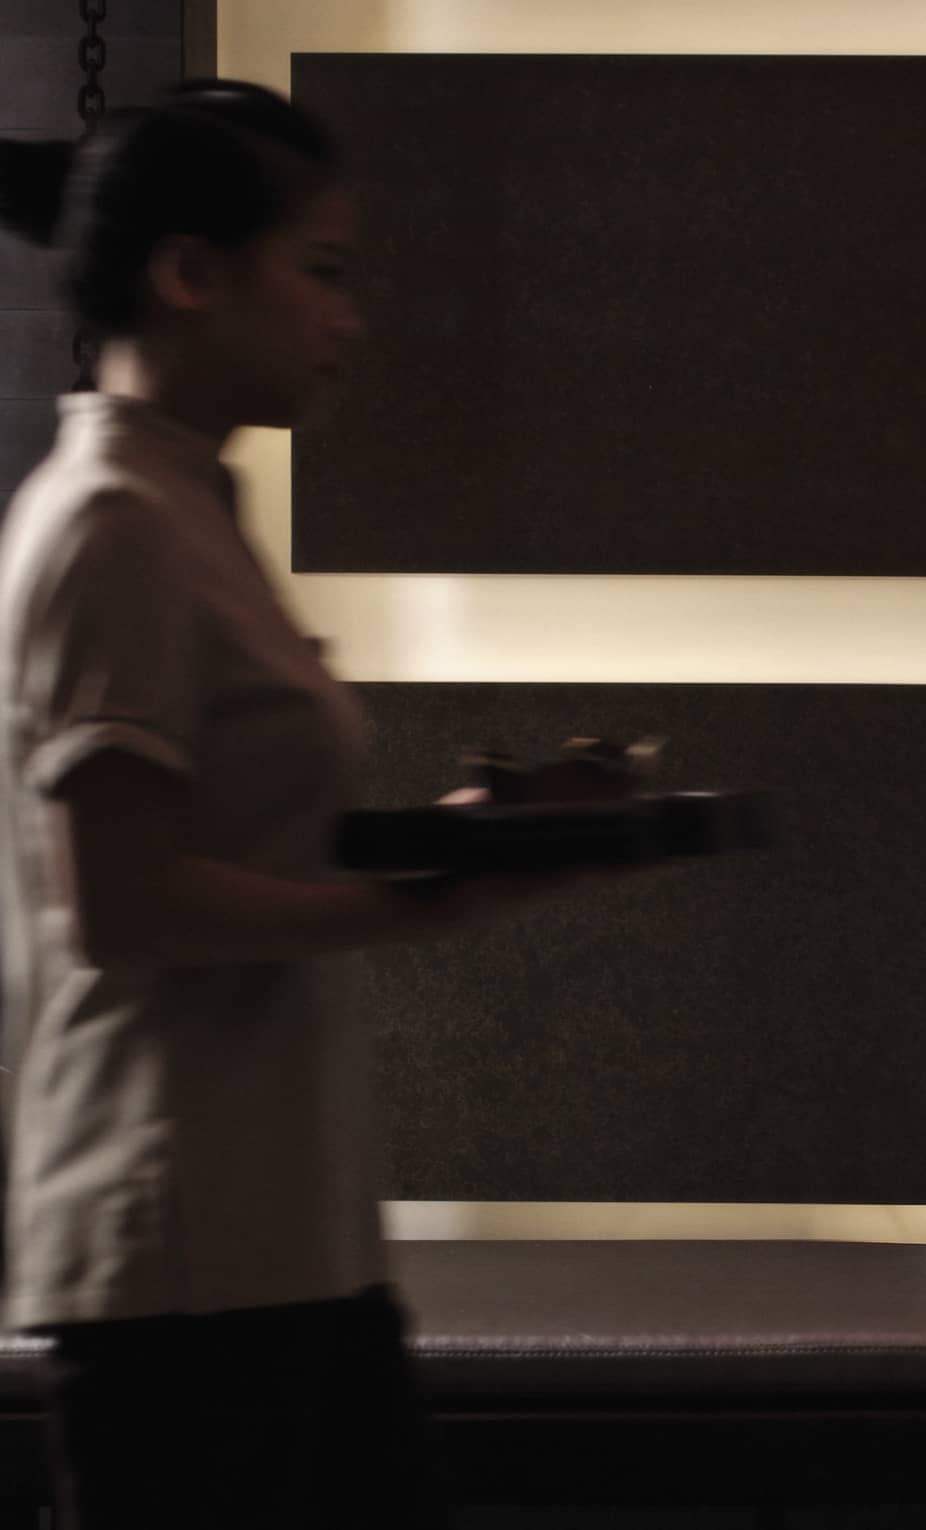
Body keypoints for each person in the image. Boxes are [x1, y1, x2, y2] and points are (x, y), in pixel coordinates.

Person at [0, 80, 607, 1528]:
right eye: (322, 270)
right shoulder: (112, 522)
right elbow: (124, 902)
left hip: (280, 1232)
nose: (351, 317)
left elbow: (235, 832)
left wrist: (464, 832)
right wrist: (421, 902)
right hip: (180, 1253)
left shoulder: (187, 509)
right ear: (190, 272)